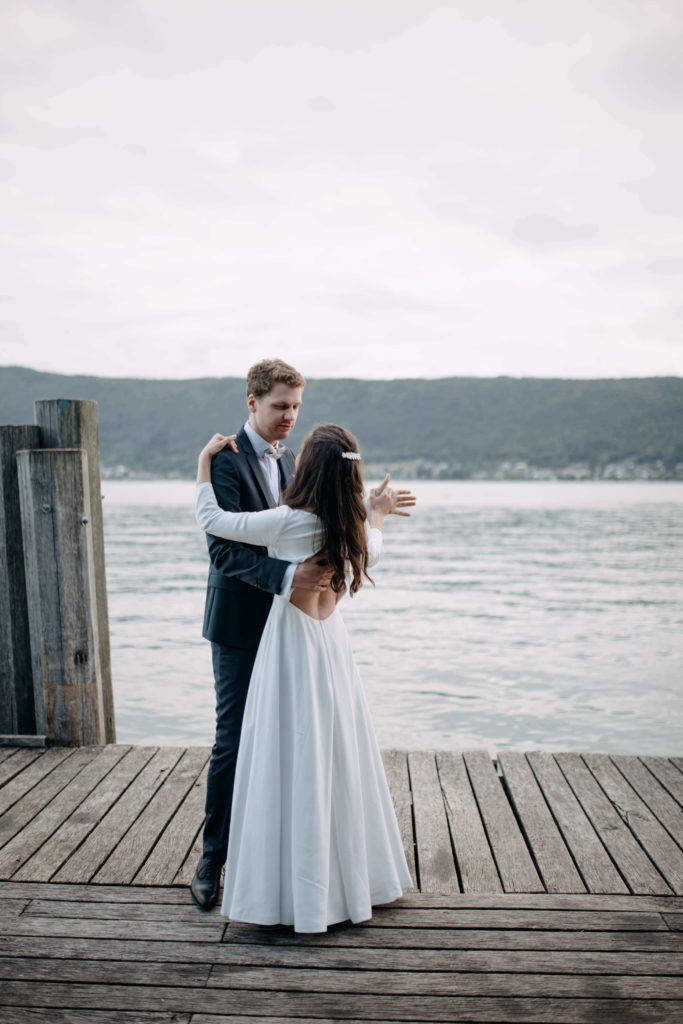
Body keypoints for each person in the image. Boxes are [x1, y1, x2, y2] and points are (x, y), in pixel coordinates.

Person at [195, 423, 415, 932]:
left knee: (284, 753)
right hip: (332, 647)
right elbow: (374, 549)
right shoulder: (351, 530)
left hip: (291, 646)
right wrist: (376, 512)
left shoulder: (288, 523)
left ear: (307, 469)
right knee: (337, 751)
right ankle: (348, 882)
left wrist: (204, 463)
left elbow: (214, 520)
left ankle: (284, 885)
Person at [191, 359, 333, 909]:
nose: (289, 417)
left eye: (296, 407)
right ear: (252, 403)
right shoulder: (227, 461)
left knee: (285, 738)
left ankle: (273, 858)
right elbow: (223, 548)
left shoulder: (297, 460)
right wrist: (286, 577)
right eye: (279, 406)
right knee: (233, 738)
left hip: (291, 625)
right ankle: (212, 859)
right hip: (241, 624)